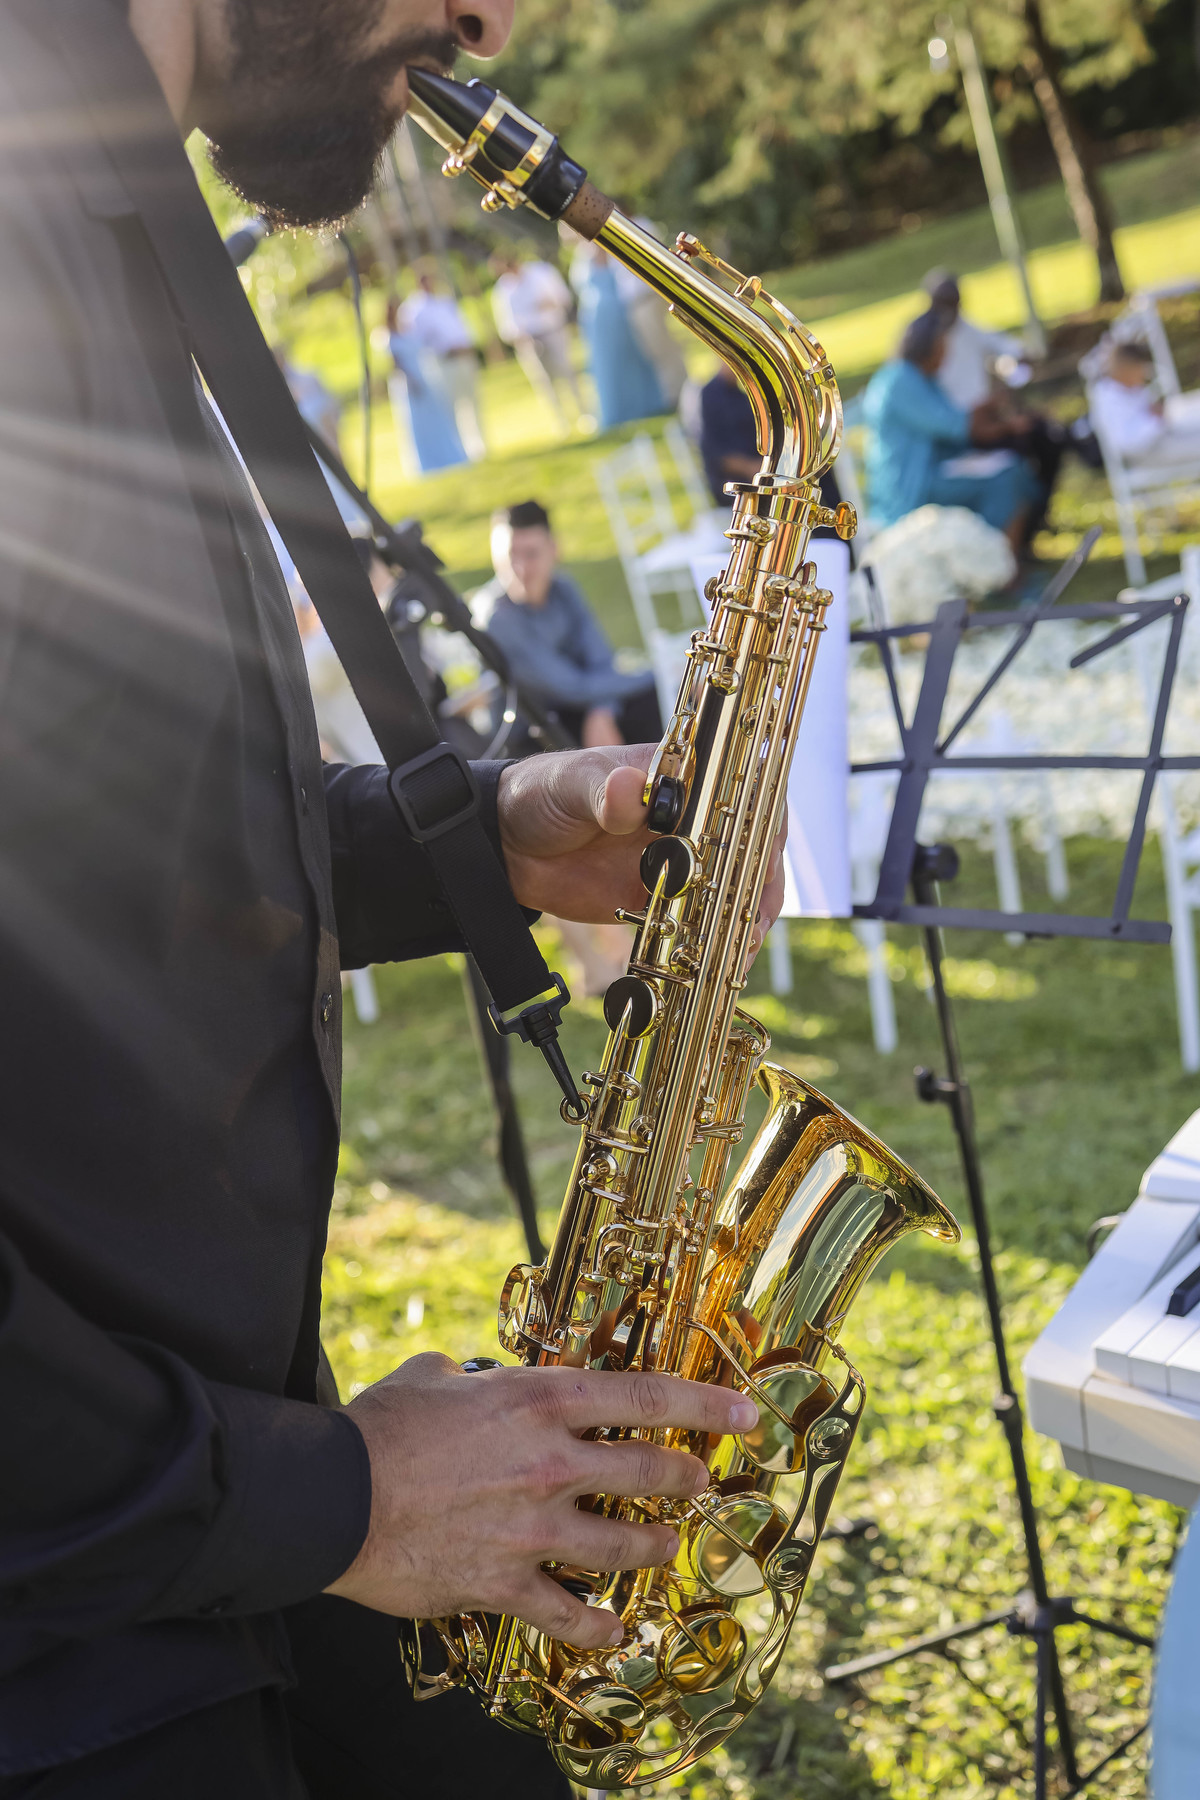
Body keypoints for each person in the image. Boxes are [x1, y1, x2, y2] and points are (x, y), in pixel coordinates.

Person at [0, 5, 787, 1798]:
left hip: (166, 1528)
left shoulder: (95, 201)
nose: (490, 20)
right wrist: (338, 1499)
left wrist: (480, 838)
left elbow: (81, 834)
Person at [475, 501, 662, 749]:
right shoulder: (497, 619)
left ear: (554, 550)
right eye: (509, 556)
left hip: (576, 708)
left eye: (531, 554)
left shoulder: (563, 589)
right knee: (651, 697)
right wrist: (656, 674)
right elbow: (571, 687)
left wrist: (603, 709)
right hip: (528, 739)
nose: (519, 569)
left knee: (657, 705)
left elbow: (601, 660)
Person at [863, 310, 1040, 556]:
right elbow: (961, 427)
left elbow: (956, 422)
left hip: (934, 470)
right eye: (943, 347)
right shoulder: (901, 381)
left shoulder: (920, 378)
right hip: (911, 486)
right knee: (1005, 480)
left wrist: (991, 407)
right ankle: (999, 568)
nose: (948, 355)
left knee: (1014, 469)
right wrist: (1008, 426)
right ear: (927, 348)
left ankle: (1008, 559)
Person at [698, 361, 845, 524]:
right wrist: (759, 469)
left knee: (817, 470)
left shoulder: (741, 395)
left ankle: (835, 528)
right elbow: (716, 454)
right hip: (743, 480)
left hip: (764, 468)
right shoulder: (710, 396)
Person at [570, 242, 664, 431]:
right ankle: (616, 408)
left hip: (615, 313)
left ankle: (642, 403)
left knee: (628, 358)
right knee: (606, 364)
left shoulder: (607, 249)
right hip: (597, 319)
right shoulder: (580, 256)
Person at [489, 251, 587, 431]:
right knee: (544, 382)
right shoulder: (502, 290)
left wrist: (550, 304)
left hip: (552, 331)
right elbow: (505, 323)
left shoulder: (541, 272)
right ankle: (561, 421)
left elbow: (563, 299)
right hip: (528, 341)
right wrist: (518, 336)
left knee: (568, 372)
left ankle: (584, 413)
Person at [398, 269, 486, 460]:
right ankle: (459, 450)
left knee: (472, 402)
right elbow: (415, 340)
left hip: (463, 357)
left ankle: (480, 446)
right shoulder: (413, 309)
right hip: (443, 361)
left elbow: (461, 326)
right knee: (450, 406)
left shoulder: (445, 302)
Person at [384, 294, 468, 473]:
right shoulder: (388, 336)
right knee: (420, 424)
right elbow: (395, 364)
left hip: (423, 376)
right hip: (410, 383)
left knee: (437, 419)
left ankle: (448, 455)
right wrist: (411, 381)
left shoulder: (407, 330)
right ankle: (429, 461)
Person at [1090, 340, 1200, 467]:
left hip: (1161, 435)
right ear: (1127, 369)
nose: (1143, 375)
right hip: (1147, 452)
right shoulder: (1109, 400)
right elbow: (1129, 443)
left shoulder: (1126, 388)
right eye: (1140, 370)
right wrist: (1155, 419)